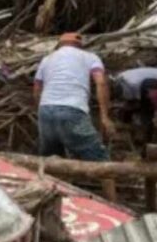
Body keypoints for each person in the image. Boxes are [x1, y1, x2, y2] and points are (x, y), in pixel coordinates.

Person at [34, 33, 115, 161]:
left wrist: (41, 108)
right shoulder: (90, 57)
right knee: (98, 157)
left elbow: (37, 87)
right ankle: (109, 181)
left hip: (45, 110)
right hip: (73, 110)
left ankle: (51, 180)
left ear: (60, 44)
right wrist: (104, 117)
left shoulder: (47, 59)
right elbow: (101, 83)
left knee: (50, 160)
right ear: (80, 45)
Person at [111, 67, 157, 144]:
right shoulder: (122, 79)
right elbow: (132, 100)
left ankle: (148, 137)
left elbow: (138, 101)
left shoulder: (133, 83)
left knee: (147, 112)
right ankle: (140, 130)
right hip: (150, 82)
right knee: (140, 109)